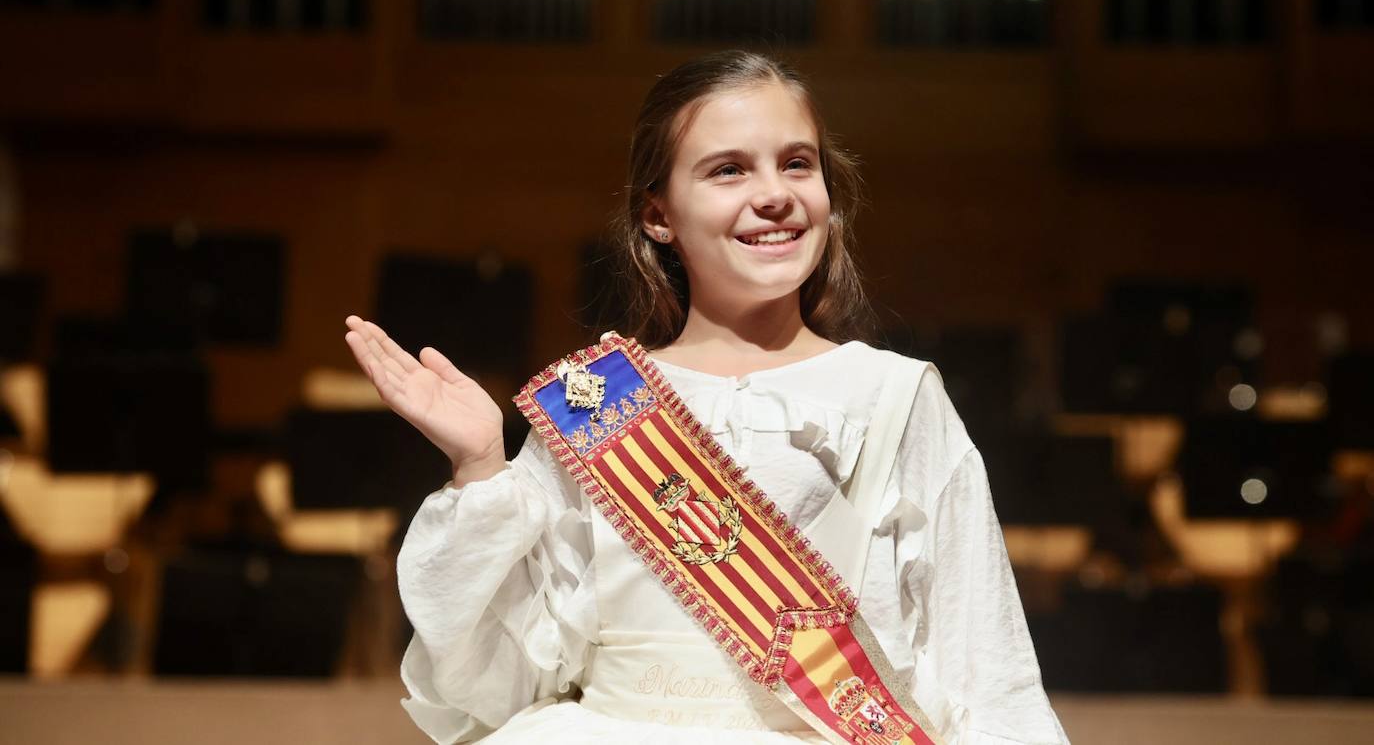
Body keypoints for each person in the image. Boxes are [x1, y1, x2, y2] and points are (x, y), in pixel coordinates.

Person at [343, 50, 1070, 744]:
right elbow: (497, 687)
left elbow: (984, 658)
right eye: (728, 169)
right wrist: (479, 467)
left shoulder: (894, 395)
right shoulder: (593, 402)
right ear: (658, 215)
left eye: (797, 163)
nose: (775, 194)